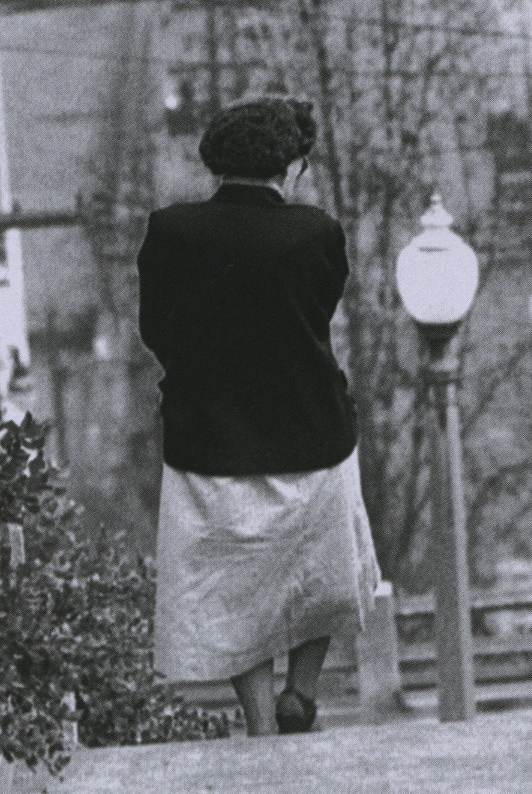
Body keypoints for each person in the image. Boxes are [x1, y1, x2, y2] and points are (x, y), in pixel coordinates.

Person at [137, 94, 381, 737]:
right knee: (321, 574)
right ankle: (301, 691)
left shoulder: (170, 231)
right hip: (312, 429)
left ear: (217, 164)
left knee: (236, 585)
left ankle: (259, 719)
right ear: (290, 167)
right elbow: (317, 316)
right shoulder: (318, 233)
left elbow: (155, 329)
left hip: (211, 437)